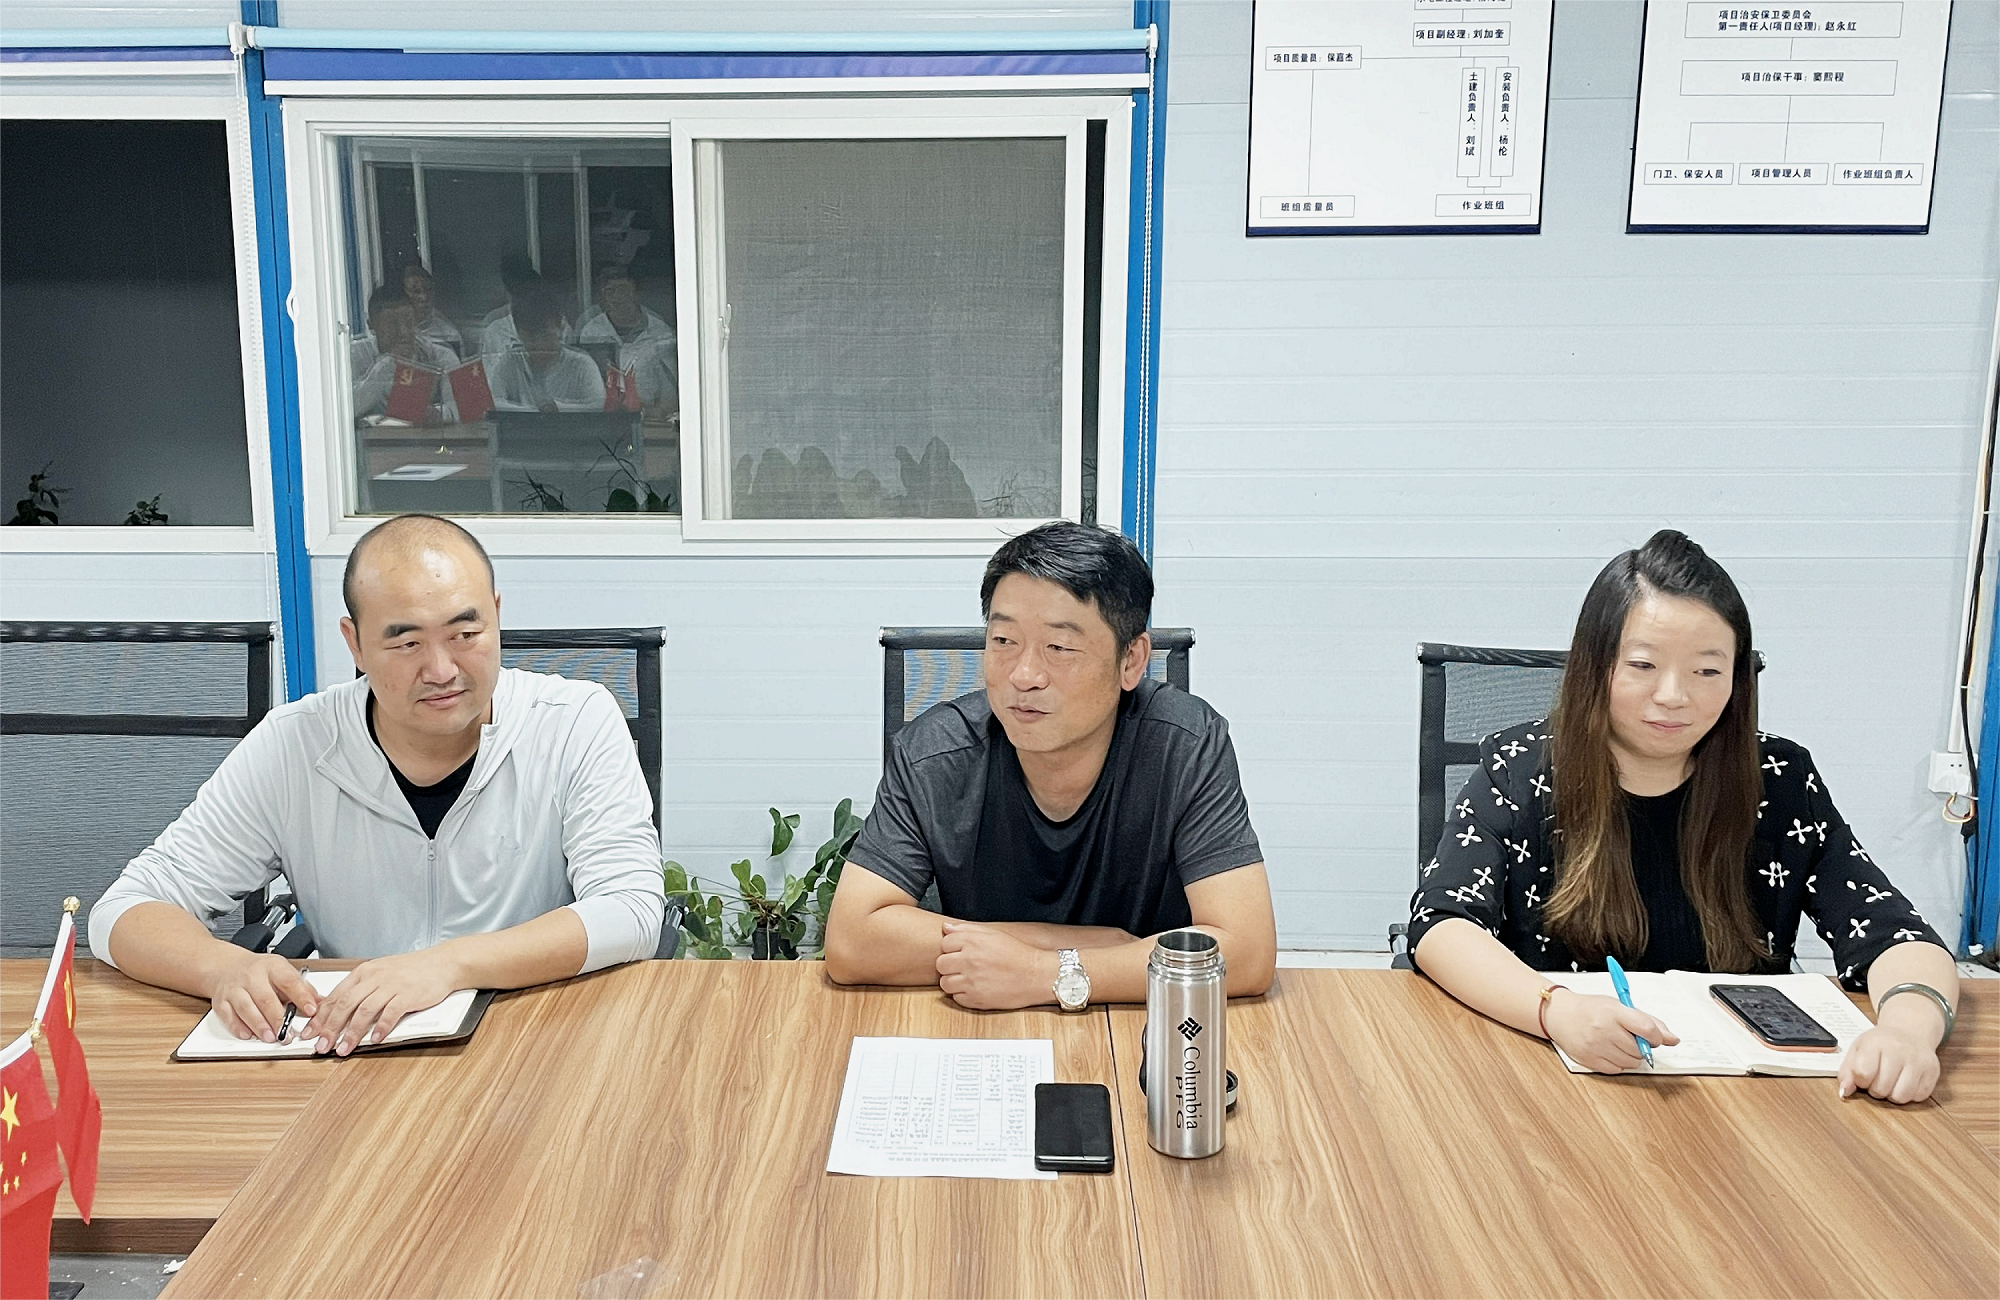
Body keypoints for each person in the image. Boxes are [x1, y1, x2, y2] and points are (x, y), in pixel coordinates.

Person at [1408, 529, 1958, 1103]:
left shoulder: (1780, 779)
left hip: (1746, 1100)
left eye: (1707, 671)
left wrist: (1907, 1033)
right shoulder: (1519, 769)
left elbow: (1895, 932)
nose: (1673, 695)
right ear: (1596, 666)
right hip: (1555, 1079)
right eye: (1643, 665)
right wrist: (1552, 1008)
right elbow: (1441, 923)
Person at [88, 514, 665, 1054]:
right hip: (355, 1048)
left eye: (465, 633)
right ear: (355, 643)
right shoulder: (295, 746)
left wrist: (449, 965)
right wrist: (223, 968)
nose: (442, 670)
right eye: (407, 643)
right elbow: (124, 910)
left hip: (536, 1038)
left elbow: (631, 909)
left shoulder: (574, 721)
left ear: (496, 614)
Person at [824, 522, 1276, 1008]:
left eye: (1059, 648)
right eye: (1003, 641)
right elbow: (852, 943)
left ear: (1131, 660)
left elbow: (1247, 952)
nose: (1023, 676)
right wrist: (1084, 946)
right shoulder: (934, 754)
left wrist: (1044, 973)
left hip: (1146, 1025)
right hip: (981, 1022)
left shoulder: (1184, 746)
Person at [485, 282, 605, 414]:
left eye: (546, 336)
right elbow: (492, 402)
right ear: (519, 334)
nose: (539, 344)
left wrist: (558, 408)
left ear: (561, 329)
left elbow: (599, 405)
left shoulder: (582, 364)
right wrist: (534, 412)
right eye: (531, 338)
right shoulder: (511, 361)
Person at [576, 264, 678, 416]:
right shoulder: (591, 331)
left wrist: (656, 413)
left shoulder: (660, 332)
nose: (617, 297)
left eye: (623, 289)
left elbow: (670, 393)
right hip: (601, 415)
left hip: (649, 417)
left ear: (636, 293)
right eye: (610, 291)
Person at [350, 285, 458, 424]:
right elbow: (348, 409)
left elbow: (461, 408)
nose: (403, 332)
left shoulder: (440, 356)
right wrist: (386, 365)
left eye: (408, 322)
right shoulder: (355, 354)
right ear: (371, 325)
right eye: (392, 325)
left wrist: (437, 414)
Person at [399, 260, 464, 359]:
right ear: (403, 296)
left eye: (428, 290)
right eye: (416, 292)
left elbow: (458, 368)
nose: (424, 297)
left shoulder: (449, 335)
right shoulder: (392, 332)